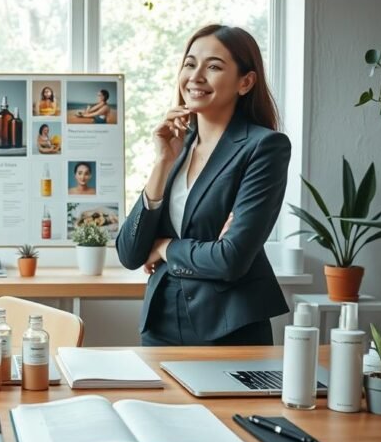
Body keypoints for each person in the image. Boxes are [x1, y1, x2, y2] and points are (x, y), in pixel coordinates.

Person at [116, 25, 290, 347]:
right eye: (190, 63)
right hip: (161, 325)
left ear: (245, 82)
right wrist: (161, 163)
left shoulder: (264, 148)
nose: (196, 76)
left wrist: (164, 247)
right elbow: (129, 253)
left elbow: (230, 258)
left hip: (229, 328)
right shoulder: (178, 148)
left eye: (213, 66)